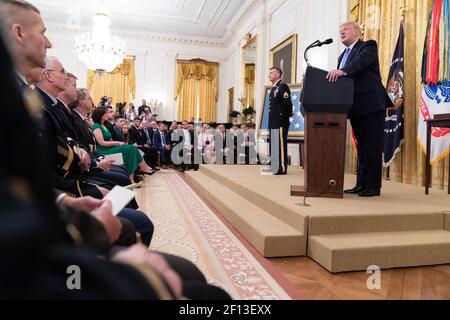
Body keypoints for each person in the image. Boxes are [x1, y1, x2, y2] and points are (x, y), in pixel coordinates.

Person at [327, 21, 393, 197]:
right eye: (339, 30)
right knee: (362, 148)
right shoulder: (342, 56)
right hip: (355, 106)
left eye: (345, 30)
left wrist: (342, 71)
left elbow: (360, 63)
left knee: (372, 146)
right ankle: (361, 183)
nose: (341, 32)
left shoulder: (368, 46)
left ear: (357, 33)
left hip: (371, 104)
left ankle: (373, 186)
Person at [91, 107, 155, 183]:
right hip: (103, 150)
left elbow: (111, 140)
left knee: (131, 149)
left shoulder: (105, 126)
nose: (107, 114)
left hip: (110, 147)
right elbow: (102, 143)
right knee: (130, 148)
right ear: (100, 115)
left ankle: (132, 178)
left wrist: (119, 144)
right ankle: (143, 168)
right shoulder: (96, 126)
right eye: (106, 113)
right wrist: (117, 143)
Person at [267, 67, 292, 175]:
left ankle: (281, 168)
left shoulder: (283, 86)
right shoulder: (274, 88)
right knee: (274, 143)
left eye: (271, 73)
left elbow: (287, 103)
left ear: (278, 74)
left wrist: (288, 114)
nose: (269, 75)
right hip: (273, 120)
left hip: (281, 120)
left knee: (280, 144)